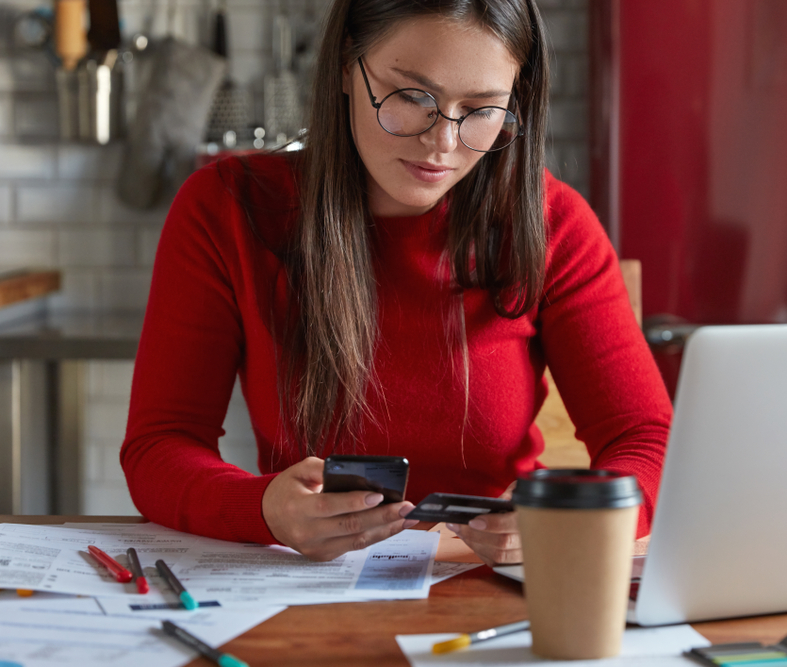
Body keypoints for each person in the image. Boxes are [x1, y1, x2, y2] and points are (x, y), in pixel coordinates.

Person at [121, 0, 671, 565]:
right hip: (309, 586)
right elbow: (160, 445)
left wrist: (567, 521)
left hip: (490, 585)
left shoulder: (553, 224)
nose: (444, 143)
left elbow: (646, 439)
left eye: (482, 109)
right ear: (343, 63)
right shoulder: (226, 210)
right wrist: (262, 507)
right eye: (412, 97)